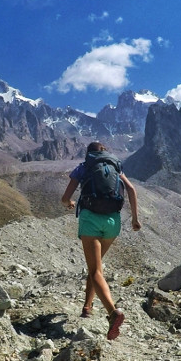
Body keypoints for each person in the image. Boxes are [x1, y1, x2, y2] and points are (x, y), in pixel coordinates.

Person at [61, 142, 141, 340]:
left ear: (89, 154)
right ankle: (87, 307)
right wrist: (135, 218)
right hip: (113, 221)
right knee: (95, 266)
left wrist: (70, 203)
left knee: (96, 270)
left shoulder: (84, 166)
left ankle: (113, 313)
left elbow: (65, 197)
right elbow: (131, 189)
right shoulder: (115, 166)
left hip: (91, 220)